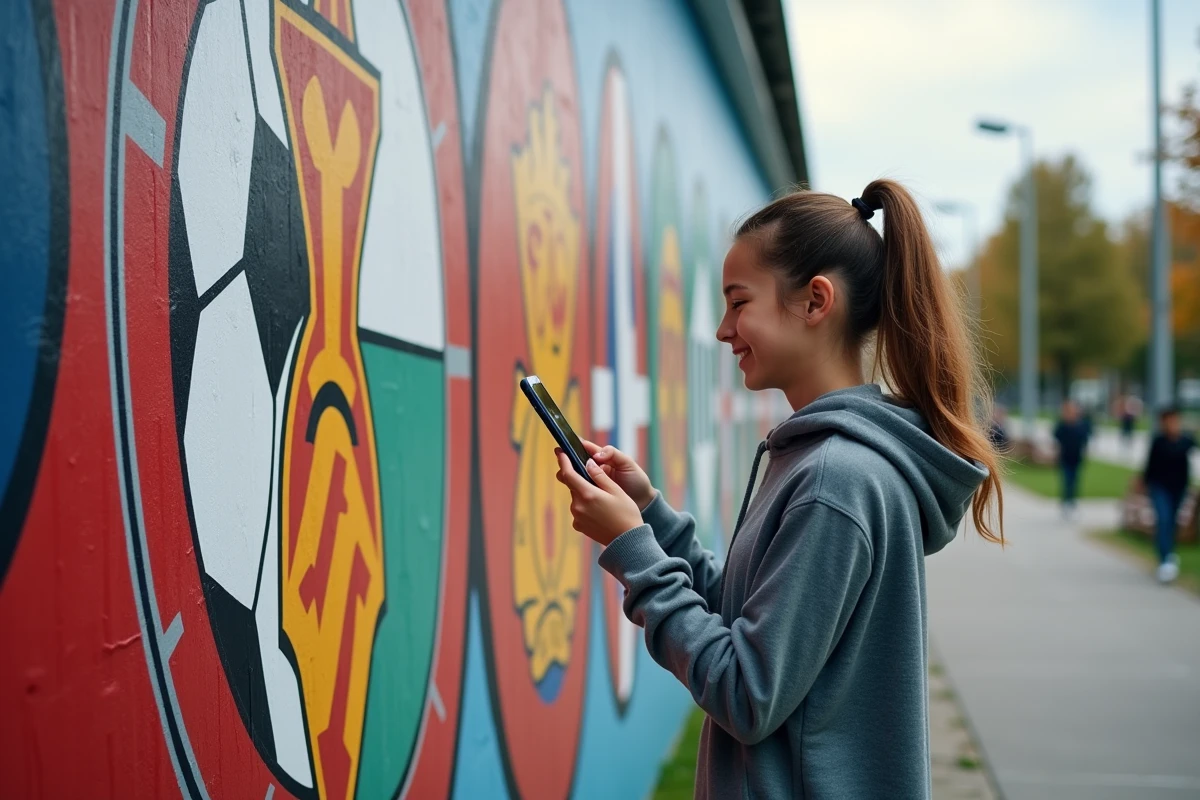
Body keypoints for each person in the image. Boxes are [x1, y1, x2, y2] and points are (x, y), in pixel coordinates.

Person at [552, 181, 1003, 799]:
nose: (721, 329)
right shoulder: (821, 461)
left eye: (739, 303)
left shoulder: (833, 480)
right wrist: (650, 517)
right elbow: (750, 621)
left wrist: (632, 549)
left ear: (816, 301)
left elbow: (746, 692)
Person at [1143, 406, 1196, 583]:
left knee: (1172, 522)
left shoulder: (1185, 440)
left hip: (1178, 487)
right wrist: (1144, 483)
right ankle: (1165, 561)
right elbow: (1150, 465)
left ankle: (1167, 553)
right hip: (1159, 487)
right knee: (1163, 519)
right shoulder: (1158, 441)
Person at [1053, 400, 1089, 519]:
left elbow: (1085, 438)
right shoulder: (1063, 425)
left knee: (1074, 481)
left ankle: (1072, 502)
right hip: (1065, 458)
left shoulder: (1081, 425)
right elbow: (1056, 435)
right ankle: (1066, 502)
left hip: (1076, 458)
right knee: (1067, 481)